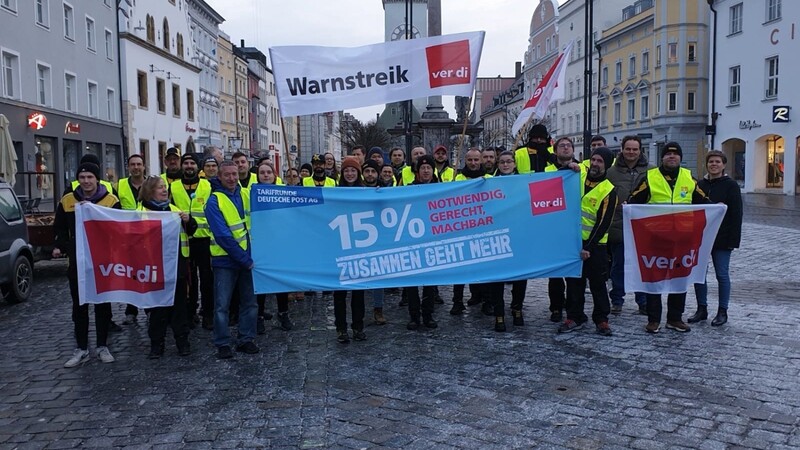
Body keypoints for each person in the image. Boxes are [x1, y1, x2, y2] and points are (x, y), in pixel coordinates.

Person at [628, 142, 710, 334]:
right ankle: (653, 319)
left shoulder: (689, 178)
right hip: (655, 238)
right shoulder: (649, 177)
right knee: (653, 279)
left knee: (679, 279)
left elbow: (703, 201)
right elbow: (634, 200)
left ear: (680, 158)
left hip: (682, 238)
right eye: (668, 154)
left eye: (675, 154)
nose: (671, 157)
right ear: (662, 158)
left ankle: (674, 318)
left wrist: (718, 207)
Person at [54, 162, 121, 367]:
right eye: (82, 177)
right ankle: (81, 347)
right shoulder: (67, 201)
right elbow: (60, 228)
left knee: (102, 304)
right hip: (77, 262)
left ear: (97, 179)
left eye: (90, 177)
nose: (86, 181)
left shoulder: (110, 201)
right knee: (79, 306)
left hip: (102, 262)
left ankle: (102, 345)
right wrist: (63, 246)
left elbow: (119, 228)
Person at [558, 147, 618, 337]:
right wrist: (569, 166)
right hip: (573, 242)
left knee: (598, 284)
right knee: (574, 283)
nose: (595, 164)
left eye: (600, 161)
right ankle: (575, 316)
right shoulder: (577, 177)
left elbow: (603, 223)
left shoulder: (608, 190)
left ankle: (601, 319)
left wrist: (589, 247)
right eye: (593, 160)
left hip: (595, 246)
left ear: (606, 165)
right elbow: (555, 181)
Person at [137, 176, 196, 358]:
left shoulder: (173, 210)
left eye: (165, 187)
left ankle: (182, 342)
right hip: (154, 269)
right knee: (157, 309)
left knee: (180, 308)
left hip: (176, 267)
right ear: (149, 191)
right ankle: (157, 345)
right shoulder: (140, 212)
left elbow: (191, 230)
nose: (164, 190)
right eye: (160, 188)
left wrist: (189, 220)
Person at [205, 161, 259, 358]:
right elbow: (223, 237)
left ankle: (246, 339)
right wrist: (245, 260)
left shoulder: (245, 194)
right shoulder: (213, 202)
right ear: (219, 176)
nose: (231, 178)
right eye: (227, 175)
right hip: (226, 261)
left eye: (234, 174)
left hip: (248, 258)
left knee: (250, 303)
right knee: (222, 306)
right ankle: (222, 343)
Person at [689, 150, 742, 326]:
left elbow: (736, 214)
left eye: (717, 162)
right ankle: (701, 308)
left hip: (722, 238)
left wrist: (733, 240)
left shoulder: (731, 185)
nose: (714, 164)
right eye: (711, 161)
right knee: (699, 275)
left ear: (723, 165)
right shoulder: (699, 184)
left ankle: (722, 311)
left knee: (722, 275)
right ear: (707, 164)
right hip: (702, 237)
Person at [606, 135, 652, 315]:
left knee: (643, 266)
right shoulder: (611, 173)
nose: (631, 152)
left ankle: (643, 300)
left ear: (640, 150)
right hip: (618, 225)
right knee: (618, 265)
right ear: (622, 149)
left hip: (644, 227)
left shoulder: (652, 171)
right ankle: (617, 299)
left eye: (635, 149)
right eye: (628, 149)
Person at [170, 153, 214, 330]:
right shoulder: (173, 187)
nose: (189, 166)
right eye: (186, 163)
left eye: (192, 163)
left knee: (206, 279)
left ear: (198, 167)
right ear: (182, 166)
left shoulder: (207, 185)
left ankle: (208, 314)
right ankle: (190, 313)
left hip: (204, 239)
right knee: (189, 280)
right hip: (183, 240)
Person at [250, 161, 293, 333]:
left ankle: (283, 313)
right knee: (261, 283)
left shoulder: (284, 192)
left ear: (274, 175)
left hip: (280, 243)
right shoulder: (252, 193)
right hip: (261, 244)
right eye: (262, 172)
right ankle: (259, 316)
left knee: (280, 282)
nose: (265, 175)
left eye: (268, 172)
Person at [545, 137, 584, 323]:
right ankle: (556, 307)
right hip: (554, 230)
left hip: (575, 229)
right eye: (562, 146)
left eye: (569, 146)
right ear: (555, 150)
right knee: (555, 275)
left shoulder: (582, 169)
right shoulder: (546, 171)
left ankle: (574, 309)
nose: (566, 148)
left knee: (575, 275)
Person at [450, 148, 492, 316]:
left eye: (476, 160)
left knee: (486, 269)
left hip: (484, 230)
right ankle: (457, 302)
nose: (473, 163)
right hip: (462, 231)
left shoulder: (489, 179)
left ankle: (486, 301)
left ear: (481, 160)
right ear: (465, 161)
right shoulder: (457, 179)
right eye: (470, 160)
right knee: (460, 270)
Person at [333, 157, 367, 343]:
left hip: (360, 248)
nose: (350, 173)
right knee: (339, 292)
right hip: (340, 247)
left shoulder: (365, 192)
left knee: (358, 292)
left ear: (358, 172)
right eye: (347, 170)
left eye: (353, 170)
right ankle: (341, 328)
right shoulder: (335, 193)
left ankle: (358, 326)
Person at [493, 151, 527, 327]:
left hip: (518, 236)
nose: (505, 165)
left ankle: (517, 308)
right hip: (498, 237)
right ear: (498, 165)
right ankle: (499, 313)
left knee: (520, 276)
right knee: (498, 277)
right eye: (502, 162)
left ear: (514, 164)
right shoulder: (490, 183)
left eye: (509, 162)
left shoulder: (523, 182)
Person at [406, 155, 439, 330]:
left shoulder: (440, 189)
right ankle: (414, 315)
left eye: (429, 168)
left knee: (430, 281)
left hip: (432, 240)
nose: (426, 171)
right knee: (412, 282)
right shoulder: (408, 189)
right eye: (422, 168)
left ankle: (428, 314)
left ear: (432, 170)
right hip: (413, 240)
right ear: (417, 171)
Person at [116, 154, 146, 325]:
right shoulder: (120, 185)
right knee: (130, 274)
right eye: (133, 164)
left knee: (149, 272)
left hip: (148, 237)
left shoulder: (151, 184)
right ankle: (131, 309)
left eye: (139, 164)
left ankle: (150, 308)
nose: (136, 167)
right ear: (128, 167)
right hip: (127, 238)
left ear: (144, 167)